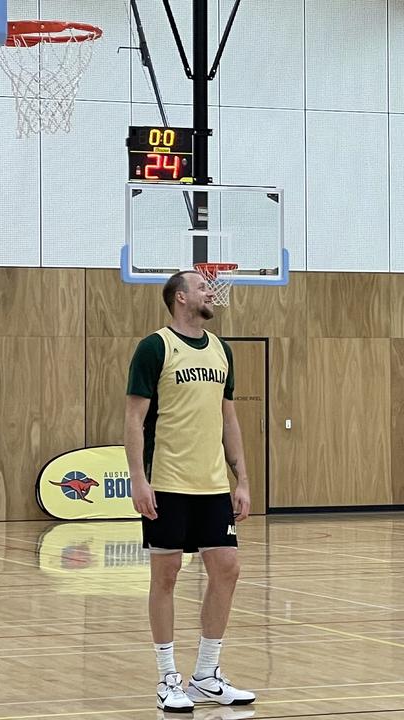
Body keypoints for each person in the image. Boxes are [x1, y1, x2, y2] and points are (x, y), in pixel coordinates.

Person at [125, 270, 255, 712]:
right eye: (202, 286)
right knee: (166, 576)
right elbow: (134, 420)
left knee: (228, 570)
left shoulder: (221, 350)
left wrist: (242, 479)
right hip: (167, 482)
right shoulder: (154, 347)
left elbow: (230, 419)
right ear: (181, 298)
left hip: (213, 485)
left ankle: (206, 674)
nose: (210, 291)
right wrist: (138, 480)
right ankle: (167, 678)